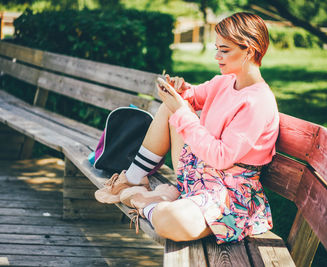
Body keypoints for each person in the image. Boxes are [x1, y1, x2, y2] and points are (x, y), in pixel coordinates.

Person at [95, 12, 279, 244]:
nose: (217, 56)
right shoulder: (224, 82)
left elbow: (221, 157)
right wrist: (179, 90)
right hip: (199, 174)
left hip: (229, 194)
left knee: (169, 220)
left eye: (224, 50)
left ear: (250, 51)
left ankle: (150, 204)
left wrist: (182, 110)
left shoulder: (258, 101)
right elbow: (192, 96)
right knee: (170, 107)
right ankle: (133, 179)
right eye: (217, 48)